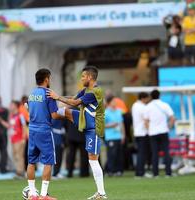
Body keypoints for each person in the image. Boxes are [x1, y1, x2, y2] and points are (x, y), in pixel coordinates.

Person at [48, 66, 107, 200]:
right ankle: (48, 113)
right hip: (85, 122)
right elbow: (72, 98)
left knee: (93, 160)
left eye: (83, 76)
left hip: (93, 129)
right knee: (64, 112)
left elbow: (74, 102)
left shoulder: (95, 92)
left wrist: (58, 97)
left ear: (90, 77)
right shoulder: (85, 90)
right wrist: (57, 100)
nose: (81, 79)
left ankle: (102, 193)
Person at [27, 68, 64, 200]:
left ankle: (32, 194)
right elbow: (54, 115)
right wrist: (66, 115)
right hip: (44, 131)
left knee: (31, 162)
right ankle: (43, 195)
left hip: (32, 130)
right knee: (48, 162)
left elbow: (29, 110)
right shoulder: (48, 94)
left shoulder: (31, 94)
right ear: (47, 79)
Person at [144, 90, 175, 178]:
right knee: (166, 152)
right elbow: (172, 118)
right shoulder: (165, 105)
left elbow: (146, 121)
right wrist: (169, 127)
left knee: (154, 153)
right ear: (159, 95)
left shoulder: (148, 107)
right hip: (163, 131)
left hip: (153, 133)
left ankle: (155, 173)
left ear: (151, 96)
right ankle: (168, 173)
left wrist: (149, 130)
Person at [0, 101, 27, 178]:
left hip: (19, 138)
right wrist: (1, 121)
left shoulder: (21, 115)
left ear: (16, 106)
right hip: (13, 139)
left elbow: (24, 126)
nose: (10, 106)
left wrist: (24, 138)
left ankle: (21, 172)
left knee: (19, 156)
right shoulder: (11, 116)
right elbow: (9, 126)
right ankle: (18, 171)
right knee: (15, 155)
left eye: (12, 105)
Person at [132, 92, 151, 178]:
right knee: (142, 154)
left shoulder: (134, 105)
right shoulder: (143, 107)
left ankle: (138, 172)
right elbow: (146, 119)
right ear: (143, 98)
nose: (148, 100)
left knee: (140, 153)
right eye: (147, 98)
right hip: (143, 132)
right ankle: (141, 172)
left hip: (137, 132)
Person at [104, 96, 125, 177]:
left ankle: (119, 170)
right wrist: (111, 125)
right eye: (113, 101)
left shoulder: (119, 111)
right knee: (111, 154)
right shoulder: (106, 112)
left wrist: (123, 135)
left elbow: (121, 124)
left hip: (118, 136)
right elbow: (102, 125)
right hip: (110, 137)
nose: (115, 103)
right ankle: (110, 171)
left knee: (119, 155)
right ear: (109, 103)